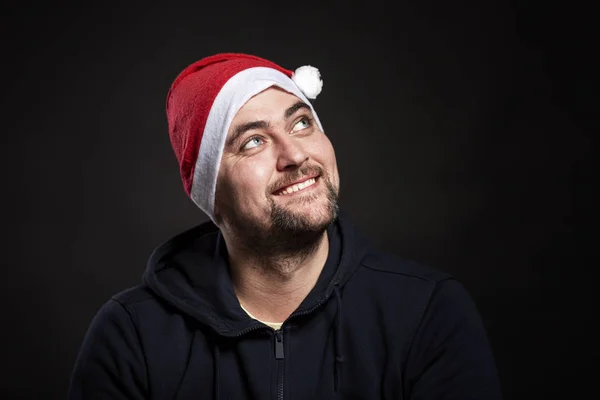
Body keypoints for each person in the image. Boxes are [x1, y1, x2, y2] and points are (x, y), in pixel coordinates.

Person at [68, 53, 502, 399]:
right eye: (253, 141)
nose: (294, 154)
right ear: (210, 190)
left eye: (301, 122)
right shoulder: (131, 335)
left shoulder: (427, 311)